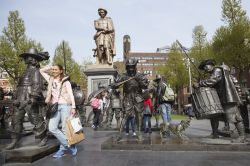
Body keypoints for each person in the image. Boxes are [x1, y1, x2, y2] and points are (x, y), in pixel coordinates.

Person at [5, 48, 48, 150]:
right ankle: (14, 141)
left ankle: (43, 137)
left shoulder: (35, 71)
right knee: (16, 119)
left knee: (35, 119)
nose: (25, 58)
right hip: (20, 98)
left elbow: (37, 85)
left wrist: (33, 98)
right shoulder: (25, 71)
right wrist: (15, 97)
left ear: (32, 59)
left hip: (29, 98)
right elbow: (19, 86)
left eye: (27, 56)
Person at [197, 59, 245, 143]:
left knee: (234, 116)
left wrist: (200, 83)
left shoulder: (217, 70)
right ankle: (215, 134)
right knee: (214, 116)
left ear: (211, 65)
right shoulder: (214, 72)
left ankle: (242, 137)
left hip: (227, 97)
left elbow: (212, 80)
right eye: (204, 68)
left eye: (206, 66)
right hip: (220, 98)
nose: (205, 69)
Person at [40, 64, 77, 158]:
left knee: (65, 129)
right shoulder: (50, 79)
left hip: (66, 106)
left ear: (61, 71)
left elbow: (71, 94)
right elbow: (41, 71)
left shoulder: (66, 82)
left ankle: (62, 150)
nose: (54, 71)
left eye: (56, 69)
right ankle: (69, 144)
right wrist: (50, 66)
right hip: (55, 106)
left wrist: (73, 107)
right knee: (52, 128)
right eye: (53, 69)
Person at [115, 58, 149, 140]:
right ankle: (119, 134)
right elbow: (116, 84)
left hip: (138, 96)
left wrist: (139, 80)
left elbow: (145, 86)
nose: (130, 69)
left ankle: (139, 133)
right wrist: (114, 85)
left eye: (132, 67)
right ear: (126, 67)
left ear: (135, 67)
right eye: (129, 67)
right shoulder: (123, 76)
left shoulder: (139, 75)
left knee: (139, 115)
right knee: (125, 115)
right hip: (128, 97)